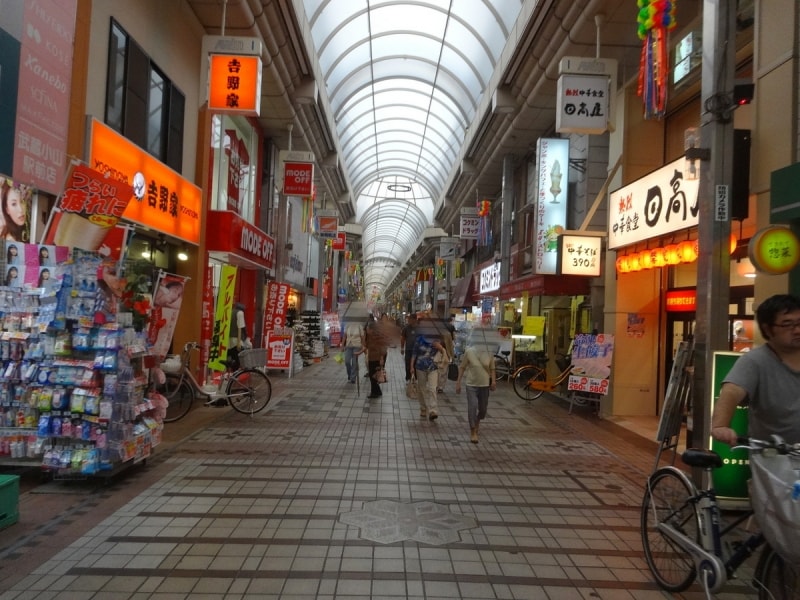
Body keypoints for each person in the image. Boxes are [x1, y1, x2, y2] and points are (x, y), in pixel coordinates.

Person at [711, 294, 800, 446]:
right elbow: (731, 392)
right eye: (787, 324)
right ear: (767, 328)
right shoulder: (755, 361)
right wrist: (720, 426)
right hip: (775, 457)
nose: (797, 330)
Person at [455, 338, 496, 443]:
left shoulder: (489, 352)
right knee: (472, 406)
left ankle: (477, 420)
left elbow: (492, 368)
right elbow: (462, 367)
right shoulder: (469, 351)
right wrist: (458, 382)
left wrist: (493, 381)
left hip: (484, 385)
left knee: (482, 409)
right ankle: (473, 431)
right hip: (471, 384)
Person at [411, 333, 446, 421]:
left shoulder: (437, 339)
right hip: (420, 367)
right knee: (421, 388)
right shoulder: (419, 339)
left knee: (432, 388)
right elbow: (414, 354)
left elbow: (444, 353)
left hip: (433, 367)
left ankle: (433, 411)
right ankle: (423, 408)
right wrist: (411, 366)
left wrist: (440, 348)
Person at [364, 317, 387, 399]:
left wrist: (381, 359)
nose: (366, 330)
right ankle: (377, 391)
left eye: (367, 329)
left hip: (376, 359)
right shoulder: (369, 337)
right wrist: (358, 353)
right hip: (371, 358)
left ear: (372, 329)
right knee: (372, 376)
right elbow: (365, 347)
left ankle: (375, 392)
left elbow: (383, 348)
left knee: (374, 376)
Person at [342, 318, 365, 384]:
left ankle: (353, 378)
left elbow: (362, 337)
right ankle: (349, 375)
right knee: (347, 361)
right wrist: (342, 345)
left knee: (354, 362)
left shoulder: (359, 326)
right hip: (348, 345)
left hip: (357, 345)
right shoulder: (347, 325)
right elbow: (344, 336)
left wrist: (363, 346)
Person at [400, 314, 418, 381]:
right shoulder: (406, 328)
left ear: (415, 319)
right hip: (408, 350)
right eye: (409, 319)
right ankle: (408, 378)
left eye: (410, 319)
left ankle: (415, 378)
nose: (409, 320)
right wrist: (402, 348)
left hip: (417, 351)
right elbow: (402, 338)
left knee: (416, 364)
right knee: (408, 364)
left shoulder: (419, 328)